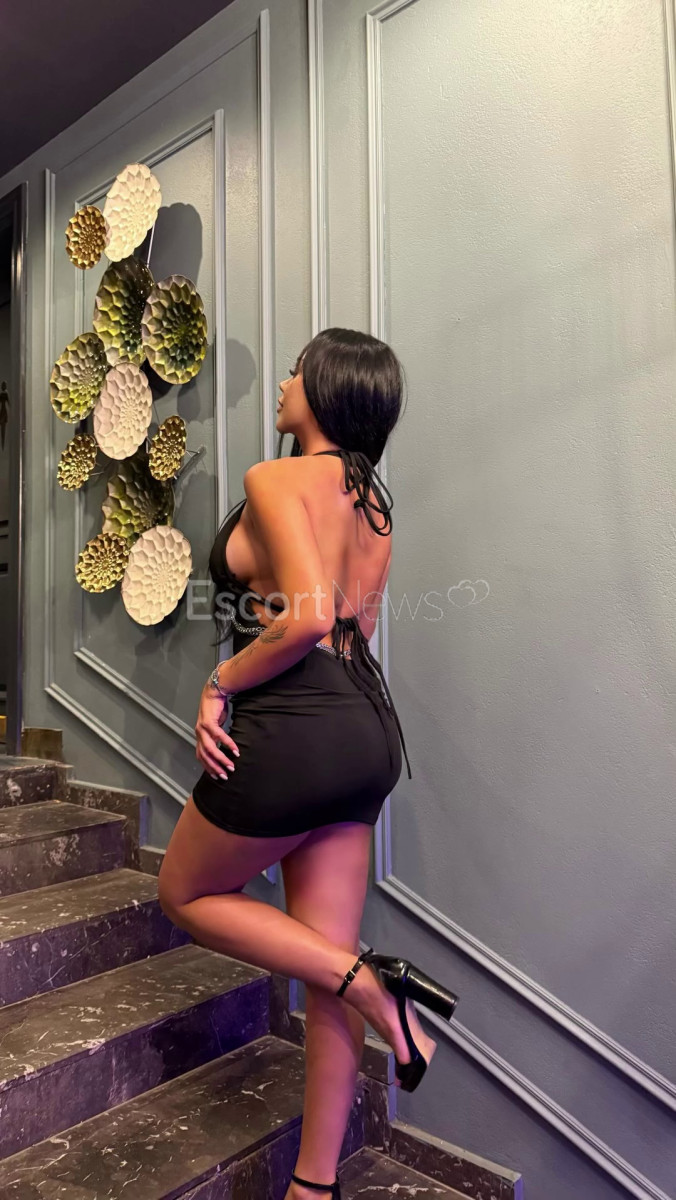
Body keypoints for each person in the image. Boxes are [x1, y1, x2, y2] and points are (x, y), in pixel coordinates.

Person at [158, 328, 458, 1200]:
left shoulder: (274, 479)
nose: (285, 382)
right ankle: (314, 1188)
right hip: (365, 730)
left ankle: (374, 986)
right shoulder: (374, 511)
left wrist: (219, 683)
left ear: (324, 390)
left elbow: (308, 618)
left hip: (293, 724)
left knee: (184, 893)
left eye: (296, 370)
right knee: (326, 959)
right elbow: (352, 630)